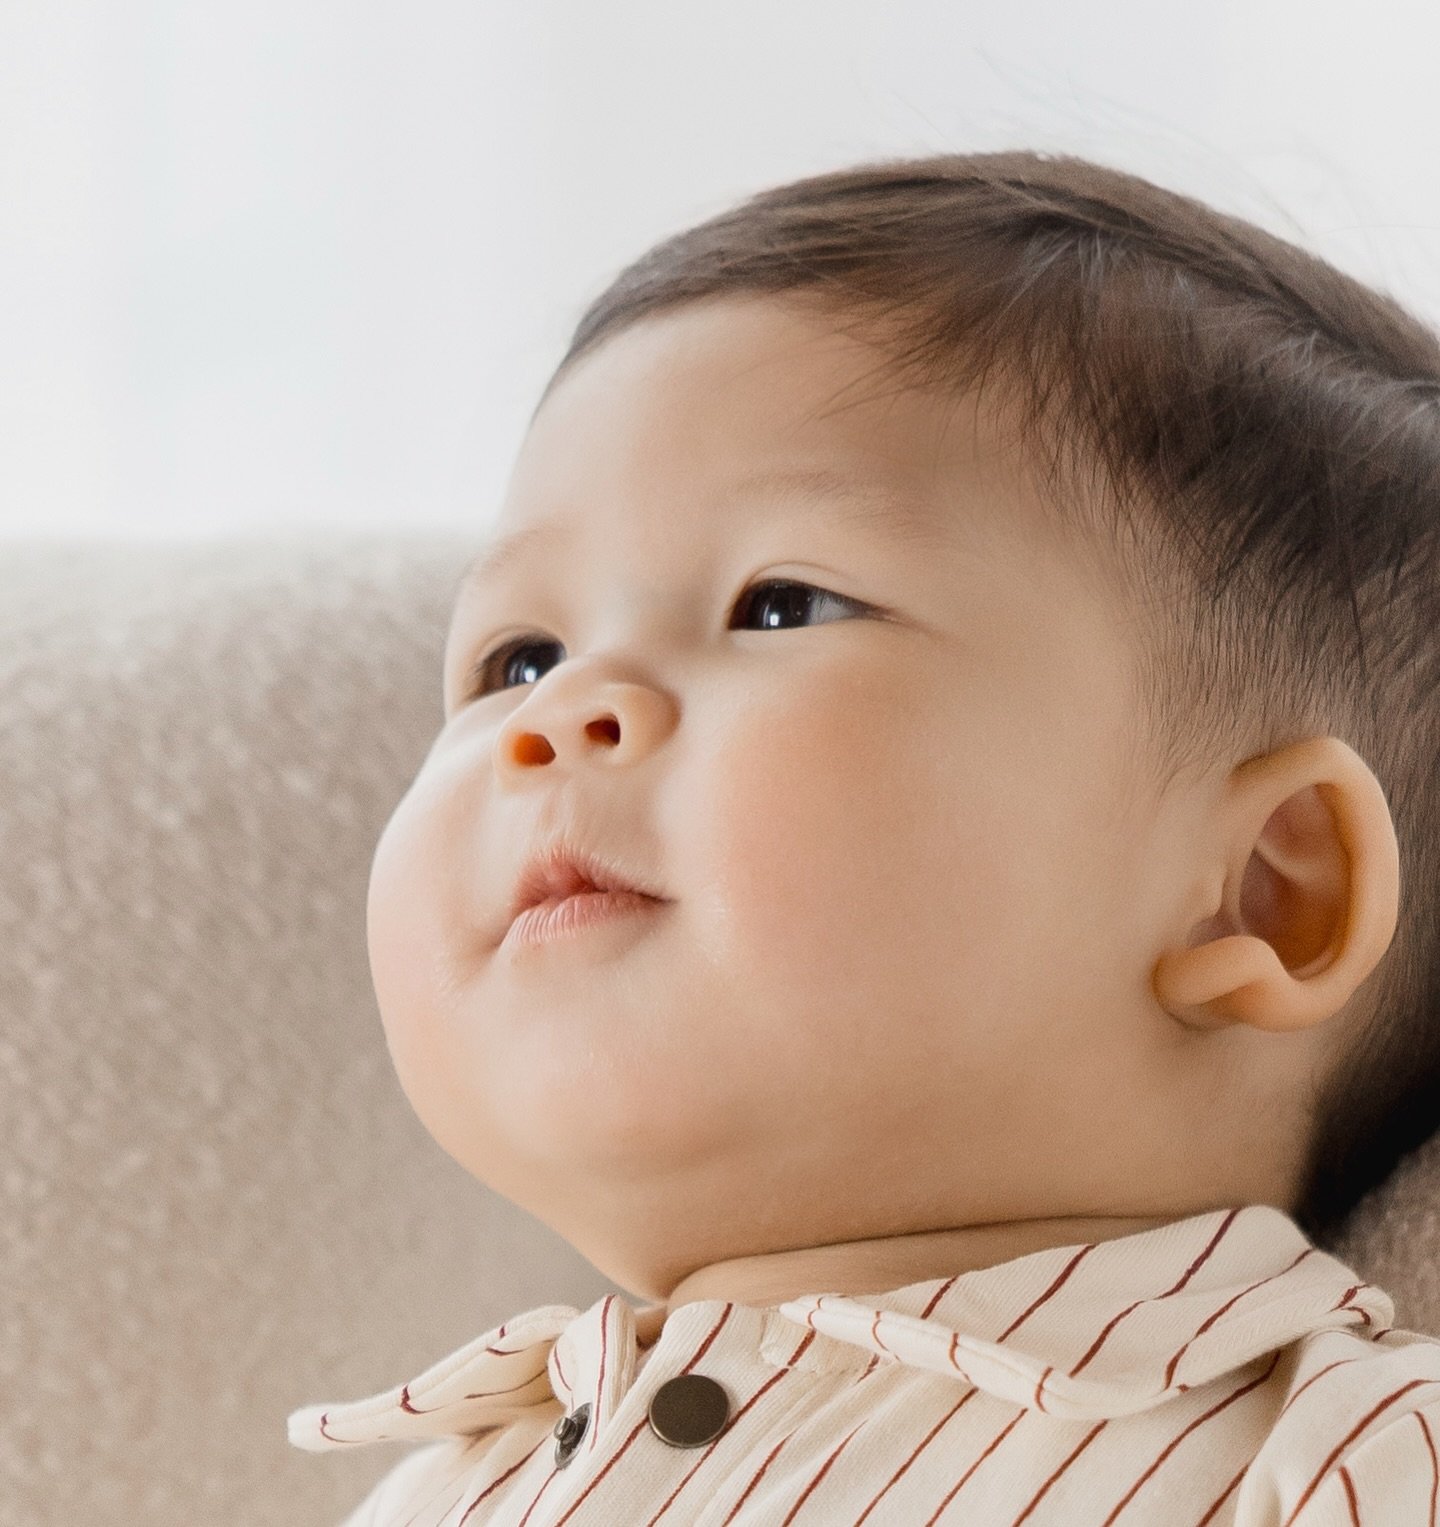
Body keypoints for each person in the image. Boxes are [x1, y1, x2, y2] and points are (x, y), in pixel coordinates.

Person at [288, 150, 1440, 1523]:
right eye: (515, 657)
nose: (563, 714)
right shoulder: (443, 1493)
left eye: (782, 606)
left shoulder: (1348, 1454)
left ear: (1259, 891)